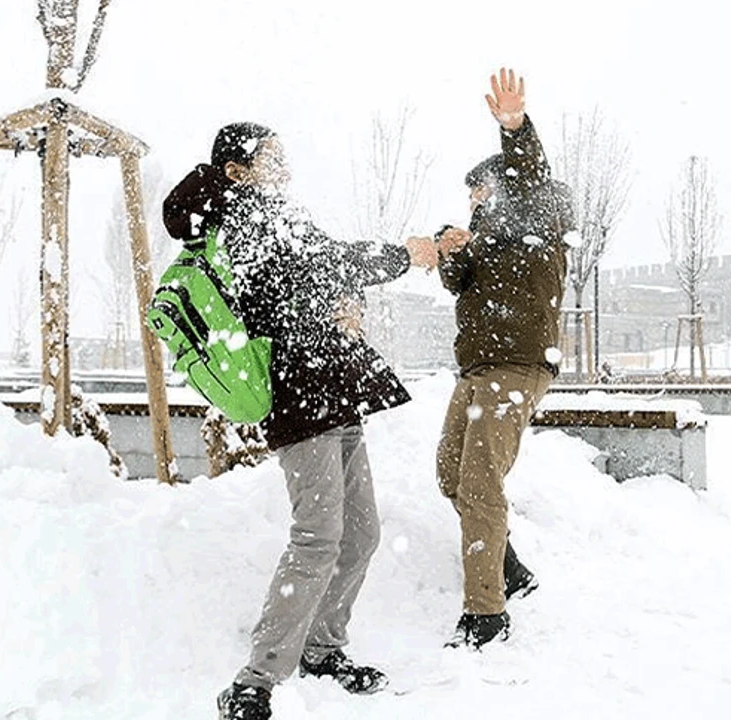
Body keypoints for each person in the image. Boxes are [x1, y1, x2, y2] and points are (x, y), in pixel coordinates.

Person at [162, 123, 439, 720]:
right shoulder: (240, 216)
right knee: (317, 536)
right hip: (298, 394)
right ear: (238, 171)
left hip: (332, 387)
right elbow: (321, 266)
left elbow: (317, 280)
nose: (285, 163)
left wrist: (348, 306)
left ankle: (322, 648)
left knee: (361, 534)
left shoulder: (275, 211)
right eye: (272, 156)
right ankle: (254, 682)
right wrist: (403, 256)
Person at [427, 68, 573, 650]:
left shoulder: (538, 216)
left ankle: (486, 613)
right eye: (471, 195)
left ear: (506, 186)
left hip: (517, 367)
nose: (475, 200)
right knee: (449, 472)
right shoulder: (485, 238)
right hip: (479, 370)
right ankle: (508, 566)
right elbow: (457, 282)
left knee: (482, 483)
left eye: (481, 191)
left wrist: (514, 126)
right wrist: (449, 246)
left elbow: (530, 175)